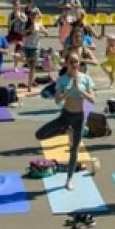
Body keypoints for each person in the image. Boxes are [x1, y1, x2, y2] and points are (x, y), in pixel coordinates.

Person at [34, 53, 94, 191]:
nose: (74, 64)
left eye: (77, 61)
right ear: (66, 63)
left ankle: (69, 179)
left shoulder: (85, 79)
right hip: (65, 116)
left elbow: (93, 100)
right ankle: (64, 130)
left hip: (79, 118)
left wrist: (80, 91)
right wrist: (68, 91)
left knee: (74, 150)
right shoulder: (62, 80)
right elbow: (57, 101)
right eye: (72, 61)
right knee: (39, 135)